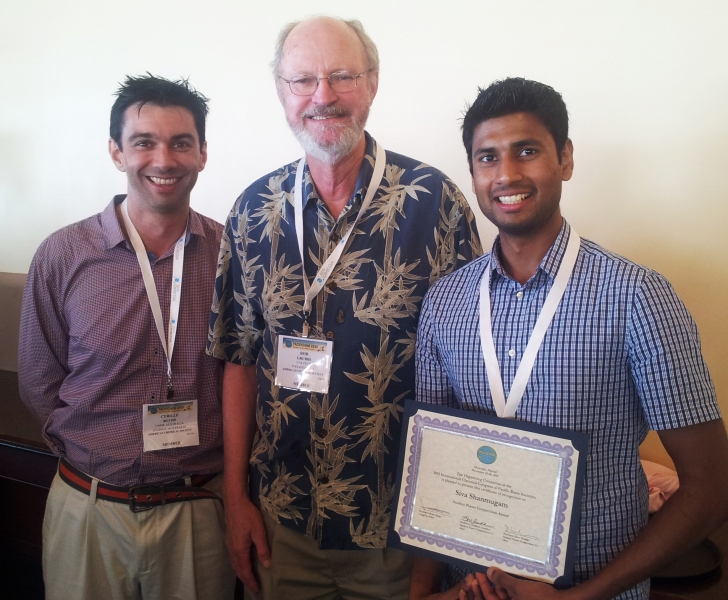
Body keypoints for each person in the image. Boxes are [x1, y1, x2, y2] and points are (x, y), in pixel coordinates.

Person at [411, 77, 728, 600]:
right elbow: (432, 461)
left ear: (566, 159)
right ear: (472, 173)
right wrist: (420, 594)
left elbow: (711, 489)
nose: (507, 174)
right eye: (487, 158)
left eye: (527, 151)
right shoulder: (446, 302)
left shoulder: (638, 297)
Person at [207, 16, 481, 600]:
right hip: (281, 519)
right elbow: (238, 360)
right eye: (303, 79)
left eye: (341, 76)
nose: (323, 96)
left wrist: (438, 541)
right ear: (282, 92)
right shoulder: (252, 211)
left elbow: (468, 379)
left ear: (373, 83)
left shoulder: (436, 204)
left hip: (396, 529)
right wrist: (236, 500)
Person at [18, 74, 235, 600]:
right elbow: (39, 381)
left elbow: (244, 371)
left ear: (203, 153)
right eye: (144, 142)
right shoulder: (63, 255)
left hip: (198, 513)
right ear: (117, 152)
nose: (163, 159)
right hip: (90, 508)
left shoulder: (234, 256)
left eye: (181, 142)